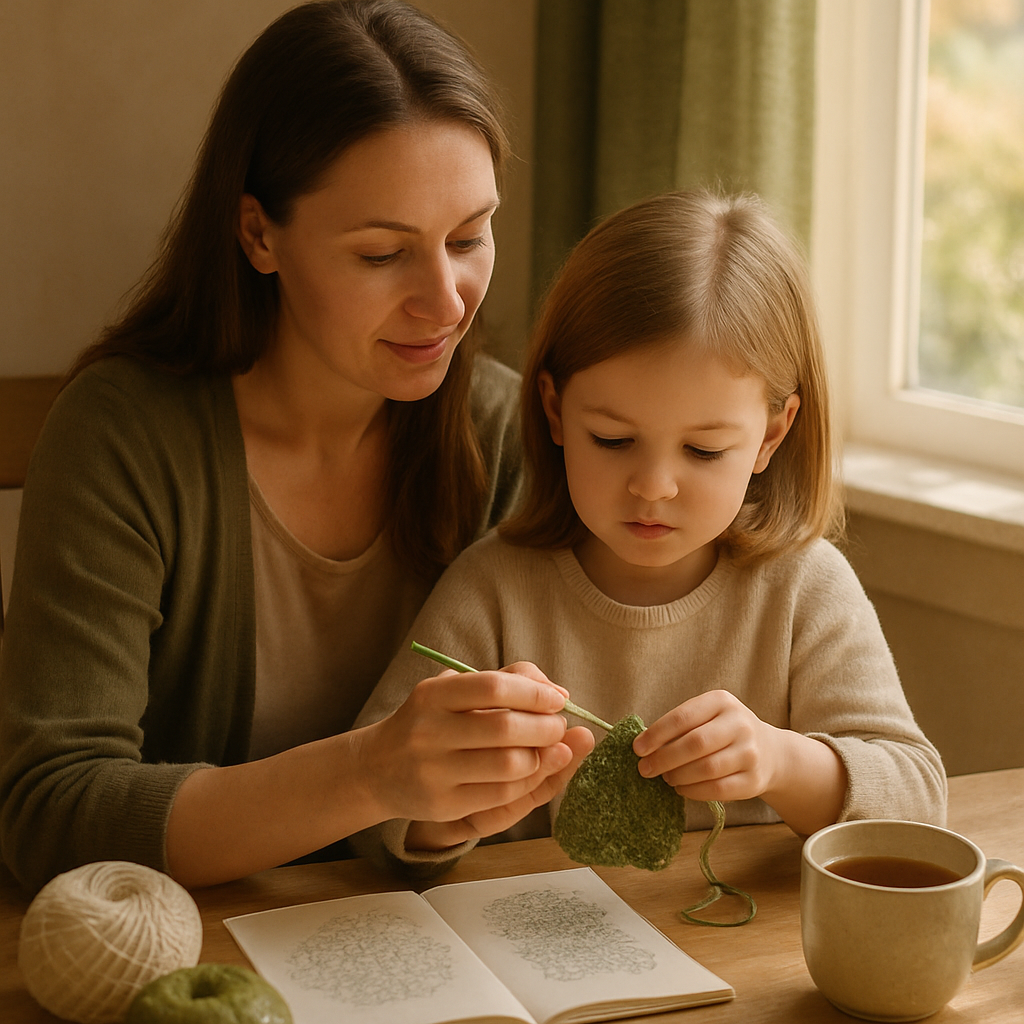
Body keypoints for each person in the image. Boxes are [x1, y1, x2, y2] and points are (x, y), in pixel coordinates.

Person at [0, 0, 594, 894]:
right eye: (381, 255)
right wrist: (369, 775)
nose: (447, 301)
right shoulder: (124, 436)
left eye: (470, 237)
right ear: (258, 235)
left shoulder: (503, 432)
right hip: (175, 948)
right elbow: (49, 811)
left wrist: (455, 811)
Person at [353, 190, 947, 872]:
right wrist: (449, 813)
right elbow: (374, 810)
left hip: (745, 956)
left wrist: (782, 762)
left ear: (772, 436)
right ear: (554, 410)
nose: (653, 486)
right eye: (612, 439)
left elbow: (918, 799)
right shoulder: (495, 586)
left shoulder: (802, 587)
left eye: (702, 451)